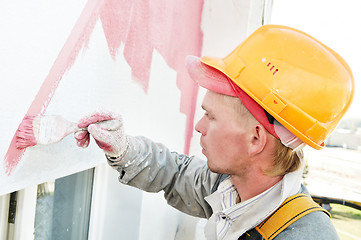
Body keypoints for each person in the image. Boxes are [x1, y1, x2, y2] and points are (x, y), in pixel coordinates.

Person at [74, 25, 354, 239]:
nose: (199, 125)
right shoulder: (231, 188)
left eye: (211, 116)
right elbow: (176, 173)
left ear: (255, 138)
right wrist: (123, 149)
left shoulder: (306, 234)